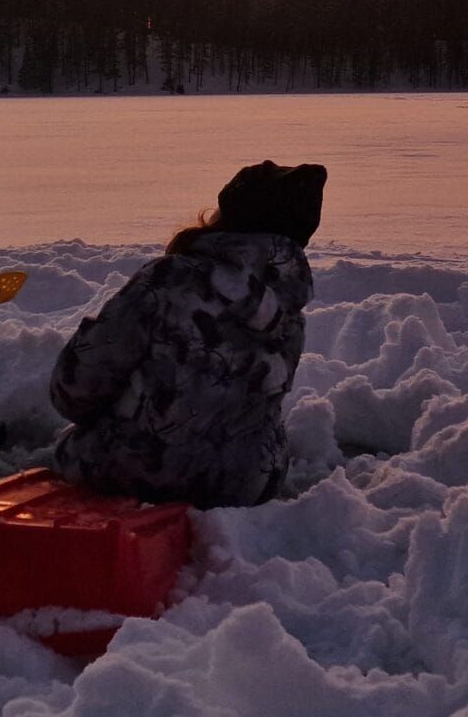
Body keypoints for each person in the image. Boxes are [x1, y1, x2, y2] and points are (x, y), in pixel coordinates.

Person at [47, 160, 327, 508]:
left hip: (142, 470)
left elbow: (76, 389)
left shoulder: (170, 280)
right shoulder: (288, 304)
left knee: (66, 451)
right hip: (247, 480)